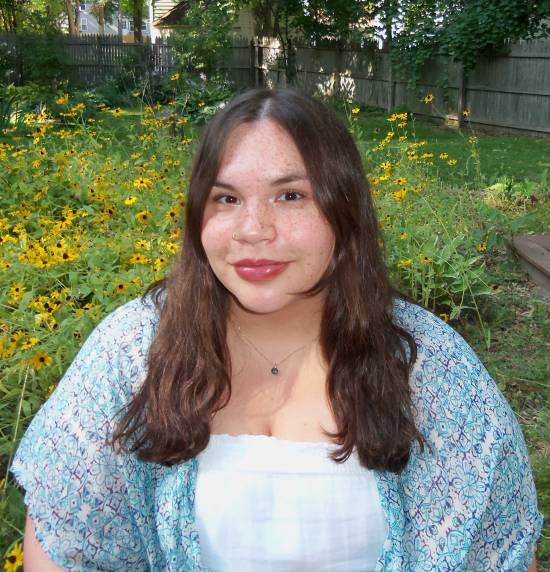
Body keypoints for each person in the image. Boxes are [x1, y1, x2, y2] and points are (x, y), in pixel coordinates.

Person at [13, 88, 542, 571]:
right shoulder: (131, 351)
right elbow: (63, 542)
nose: (253, 230)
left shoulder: (428, 364)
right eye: (227, 199)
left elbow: (498, 549)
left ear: (345, 210)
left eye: (290, 196)